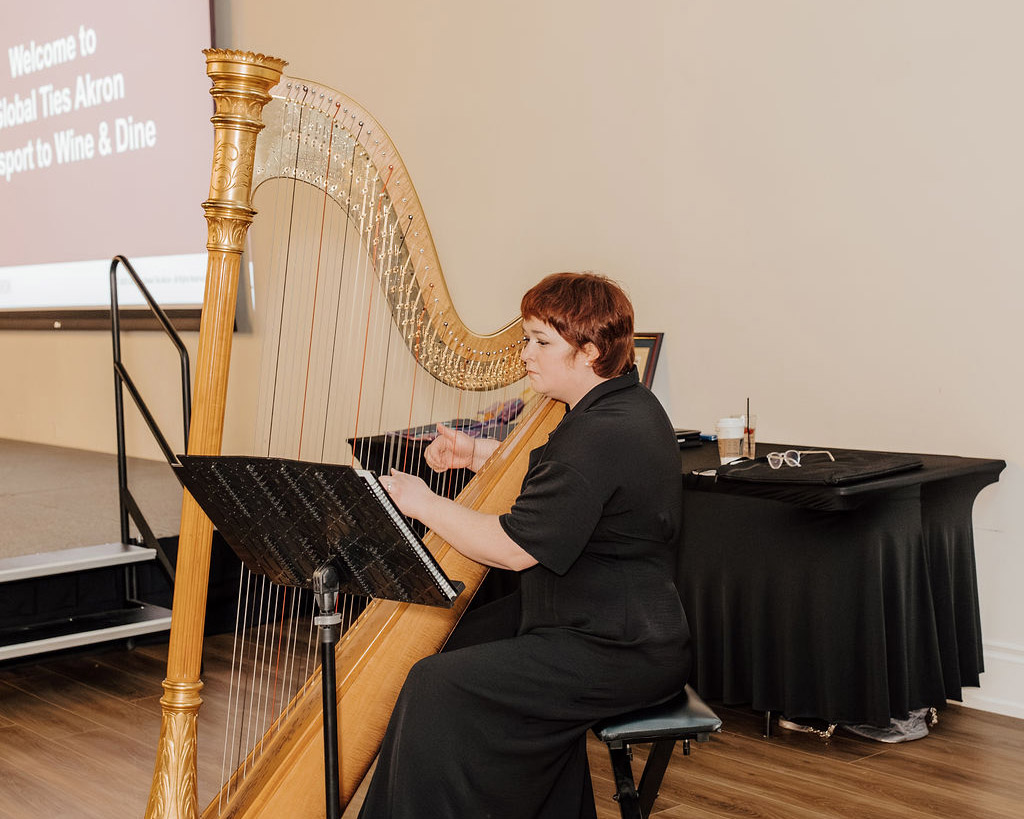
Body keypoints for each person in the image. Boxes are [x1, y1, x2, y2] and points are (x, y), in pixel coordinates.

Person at [358, 272, 691, 819]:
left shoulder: (600, 432)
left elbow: (515, 549)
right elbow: (564, 486)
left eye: (541, 342)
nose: (525, 354)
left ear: (589, 352)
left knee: (436, 681)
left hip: (618, 647)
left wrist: (422, 503)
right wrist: (473, 453)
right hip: (593, 617)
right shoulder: (622, 406)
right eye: (526, 339)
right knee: (449, 642)